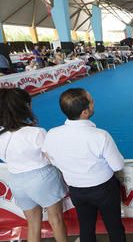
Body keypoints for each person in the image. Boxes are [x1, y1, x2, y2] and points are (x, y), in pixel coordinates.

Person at [42, 88, 126, 242]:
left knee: (86, 227)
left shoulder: (52, 134)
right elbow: (118, 165)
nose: (94, 103)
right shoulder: (100, 136)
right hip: (104, 189)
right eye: (92, 102)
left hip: (76, 190)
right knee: (114, 226)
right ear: (85, 112)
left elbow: (49, 158)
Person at [0, 88, 67, 242]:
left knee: (32, 223)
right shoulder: (36, 133)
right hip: (42, 178)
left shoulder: (1, 135)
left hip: (16, 180)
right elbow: (52, 158)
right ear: (26, 106)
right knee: (55, 219)